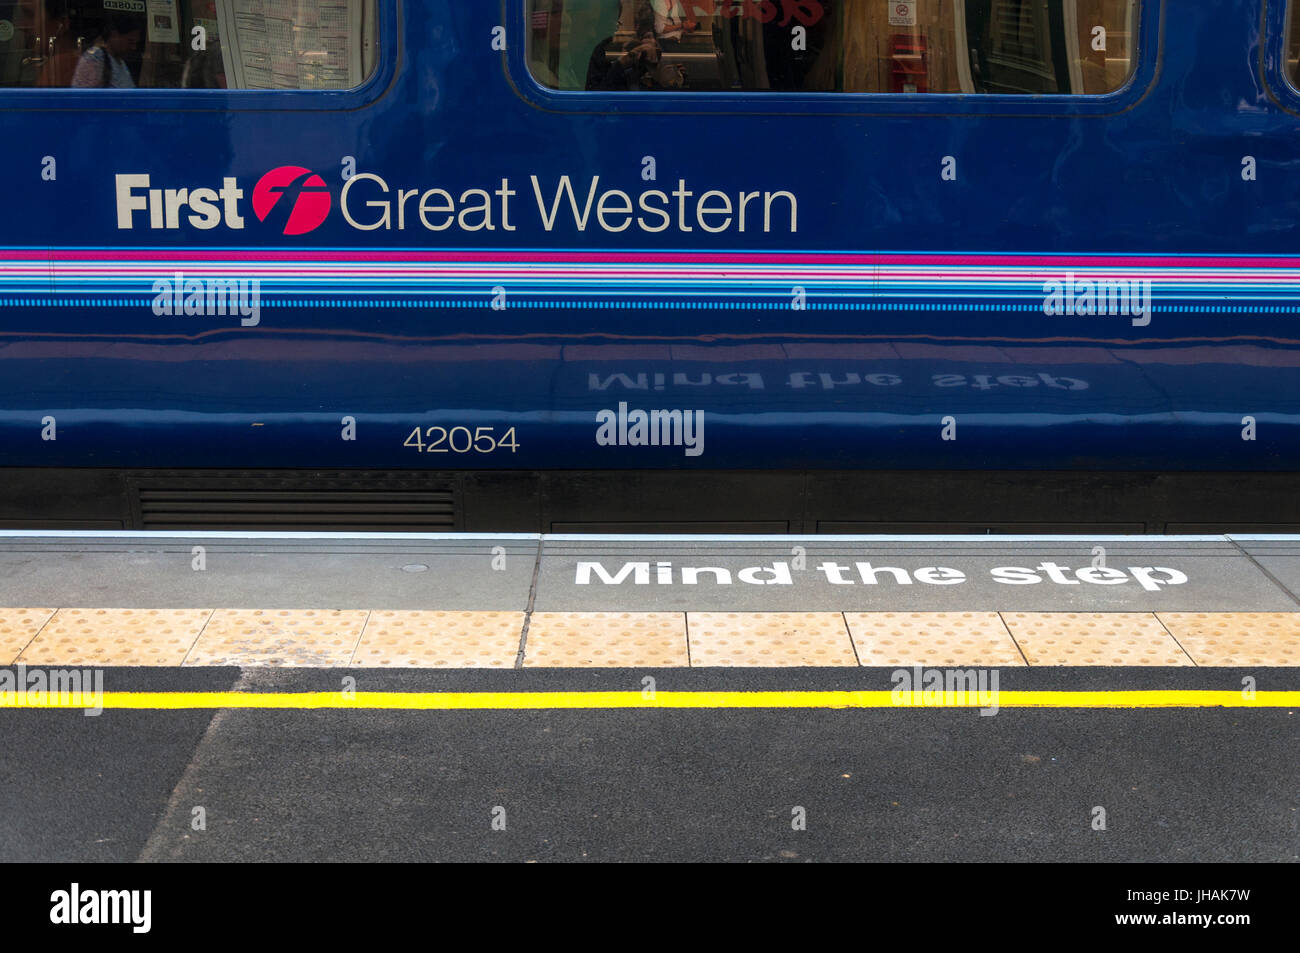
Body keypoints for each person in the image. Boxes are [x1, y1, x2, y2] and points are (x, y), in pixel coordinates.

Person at [70, 14, 141, 89]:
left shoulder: (120, 62)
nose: (134, 47)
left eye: (136, 43)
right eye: (130, 42)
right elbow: (84, 96)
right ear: (114, 35)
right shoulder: (96, 58)